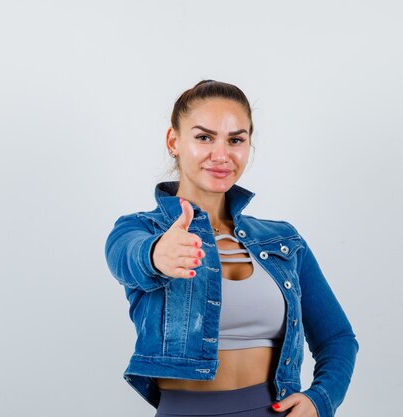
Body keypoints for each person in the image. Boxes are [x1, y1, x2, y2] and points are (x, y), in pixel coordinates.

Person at [105, 80, 358, 417]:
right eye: (204, 137)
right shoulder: (142, 231)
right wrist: (156, 255)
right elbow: (128, 257)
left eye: (236, 140)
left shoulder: (282, 240)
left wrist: (320, 399)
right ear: (173, 141)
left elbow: (338, 338)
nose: (221, 155)